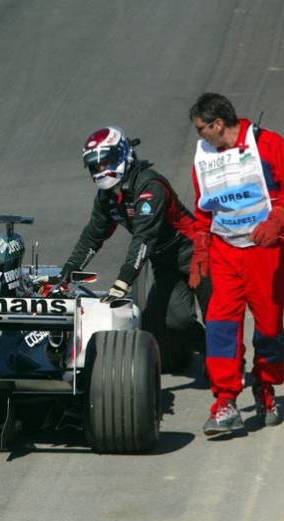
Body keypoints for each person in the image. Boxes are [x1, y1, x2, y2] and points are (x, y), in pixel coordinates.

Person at [187, 93, 284, 436]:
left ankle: (265, 387)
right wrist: (201, 244)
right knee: (220, 325)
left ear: (217, 124)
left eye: (202, 129)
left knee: (269, 327)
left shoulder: (267, 144)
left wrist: (278, 220)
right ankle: (225, 400)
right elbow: (203, 209)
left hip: (266, 251)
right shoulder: (204, 155)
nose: (199, 136)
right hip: (226, 251)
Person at [59, 126, 211, 366]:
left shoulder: (150, 185)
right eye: (94, 166)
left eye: (104, 162)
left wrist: (123, 281)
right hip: (164, 263)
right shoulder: (106, 198)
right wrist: (66, 273)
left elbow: (144, 237)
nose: (100, 170)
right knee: (177, 322)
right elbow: (92, 237)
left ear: (122, 156)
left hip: (197, 254)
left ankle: (230, 364)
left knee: (217, 318)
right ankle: (214, 354)